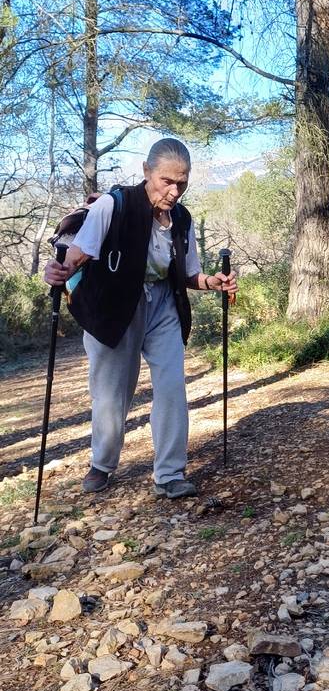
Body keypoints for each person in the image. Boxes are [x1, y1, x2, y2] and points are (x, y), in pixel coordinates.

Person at [44, 137, 238, 498]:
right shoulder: (112, 206)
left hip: (163, 303)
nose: (175, 190)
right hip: (116, 304)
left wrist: (213, 282)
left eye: (182, 182)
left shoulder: (181, 219)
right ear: (147, 172)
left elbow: (187, 273)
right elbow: (76, 256)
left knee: (171, 387)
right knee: (112, 393)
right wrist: (54, 271)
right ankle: (102, 464)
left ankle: (170, 474)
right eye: (167, 180)